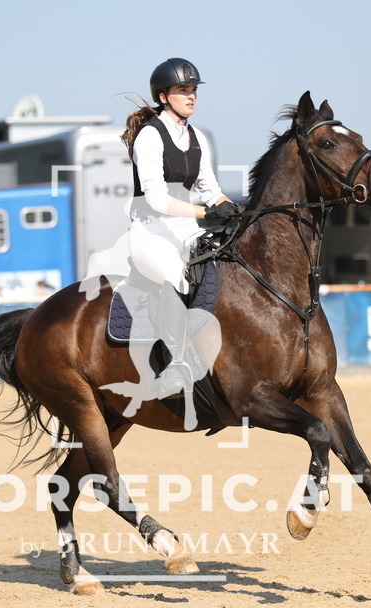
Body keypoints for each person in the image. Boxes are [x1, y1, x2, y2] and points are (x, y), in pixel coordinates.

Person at [120, 57, 239, 398]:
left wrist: (230, 207)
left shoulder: (197, 136)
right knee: (178, 276)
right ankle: (176, 364)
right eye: (183, 90)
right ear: (163, 97)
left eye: (193, 90)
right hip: (150, 232)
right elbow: (157, 199)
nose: (191, 96)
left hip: (186, 230)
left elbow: (210, 190)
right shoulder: (149, 136)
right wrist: (203, 212)